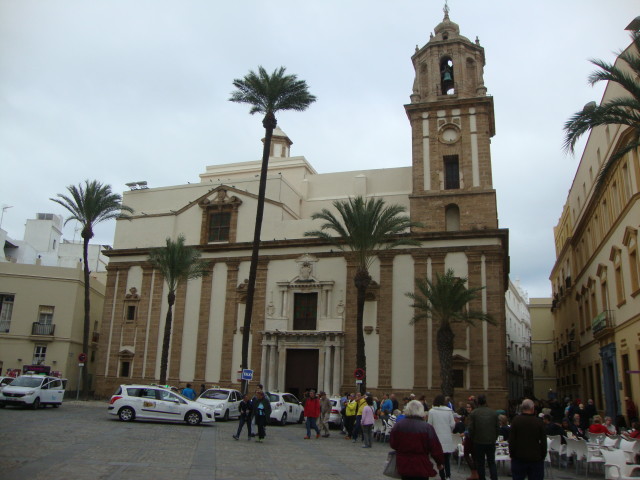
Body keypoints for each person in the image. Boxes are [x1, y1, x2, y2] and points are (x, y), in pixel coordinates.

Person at [391, 400, 444, 480]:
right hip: (421, 464)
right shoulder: (427, 428)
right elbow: (435, 447)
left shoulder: (398, 425)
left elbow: (393, 443)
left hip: (404, 464)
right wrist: (439, 462)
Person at [508, 399, 547, 480]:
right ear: (533, 408)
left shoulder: (515, 421)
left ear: (522, 408)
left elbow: (511, 440)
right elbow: (544, 441)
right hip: (535, 458)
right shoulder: (539, 422)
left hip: (519, 457)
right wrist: (542, 455)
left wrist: (512, 454)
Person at [468, 394, 499, 480]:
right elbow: (497, 427)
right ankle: (494, 478)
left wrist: (472, 438)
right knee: (491, 462)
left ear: (478, 402)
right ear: (485, 401)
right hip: (490, 441)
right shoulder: (493, 413)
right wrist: (494, 437)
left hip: (478, 441)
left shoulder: (474, 413)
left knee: (480, 463)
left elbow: (471, 428)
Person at [428, 394, 456, 480]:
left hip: (437, 438)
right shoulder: (449, 411)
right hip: (447, 437)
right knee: (447, 459)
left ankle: (442, 476)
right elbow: (452, 424)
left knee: (439, 459)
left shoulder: (432, 411)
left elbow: (429, 425)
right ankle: (448, 475)